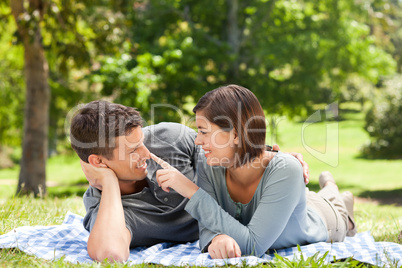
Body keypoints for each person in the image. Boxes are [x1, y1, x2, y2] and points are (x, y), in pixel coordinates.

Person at [69, 100, 311, 262]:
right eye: (133, 150)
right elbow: (110, 254)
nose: (146, 153)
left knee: (319, 207)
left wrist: (270, 157)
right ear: (98, 162)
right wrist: (109, 182)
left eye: (142, 141)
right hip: (234, 223)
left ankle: (331, 190)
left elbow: (222, 147)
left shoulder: (168, 139)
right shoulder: (105, 209)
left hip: (256, 203)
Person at [151, 84, 357, 259]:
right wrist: (216, 238)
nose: (197, 141)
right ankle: (330, 189)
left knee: (339, 210)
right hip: (286, 202)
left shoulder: (286, 171)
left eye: (204, 132)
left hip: (325, 219)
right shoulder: (209, 163)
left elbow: (253, 246)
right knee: (312, 198)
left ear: (234, 134)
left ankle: (334, 191)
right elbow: (207, 226)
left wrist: (192, 192)